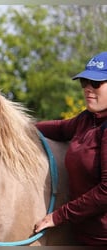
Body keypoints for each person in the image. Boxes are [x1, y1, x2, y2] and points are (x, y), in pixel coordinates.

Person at [34, 51, 107, 245]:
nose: (88, 89)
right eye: (84, 82)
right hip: (82, 236)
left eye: (96, 83)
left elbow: (105, 192)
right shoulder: (87, 120)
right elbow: (59, 128)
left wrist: (58, 216)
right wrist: (13, 124)